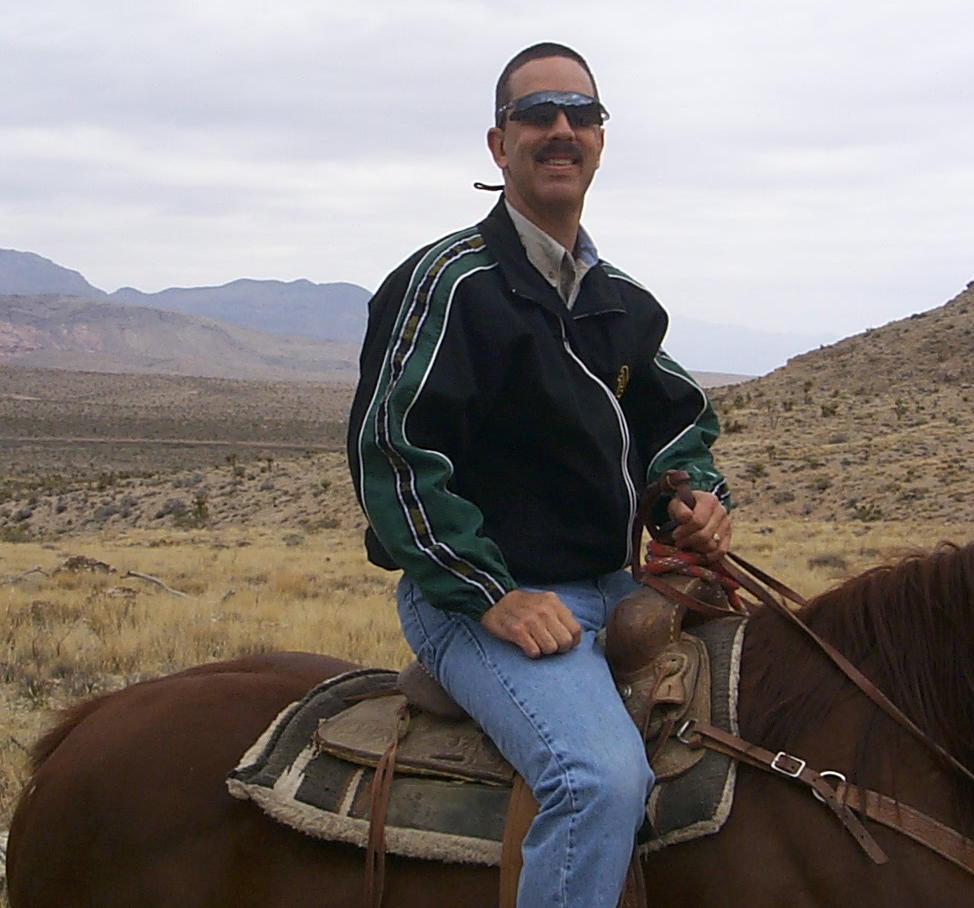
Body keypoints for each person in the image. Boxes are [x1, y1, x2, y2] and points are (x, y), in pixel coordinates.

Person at [347, 42, 732, 908]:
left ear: (600, 140)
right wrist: (493, 593)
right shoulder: (448, 284)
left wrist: (693, 502)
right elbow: (395, 456)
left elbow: (674, 429)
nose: (562, 129)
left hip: (613, 583)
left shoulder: (623, 303)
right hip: (481, 601)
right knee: (596, 782)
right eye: (538, 113)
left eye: (582, 114)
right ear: (498, 144)